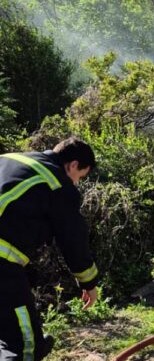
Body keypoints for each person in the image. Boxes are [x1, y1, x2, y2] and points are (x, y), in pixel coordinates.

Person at [0, 138, 99, 360]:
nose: (75, 183)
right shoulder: (56, 182)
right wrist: (88, 282)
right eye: (79, 177)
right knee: (23, 343)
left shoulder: (11, 160)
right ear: (73, 165)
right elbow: (73, 239)